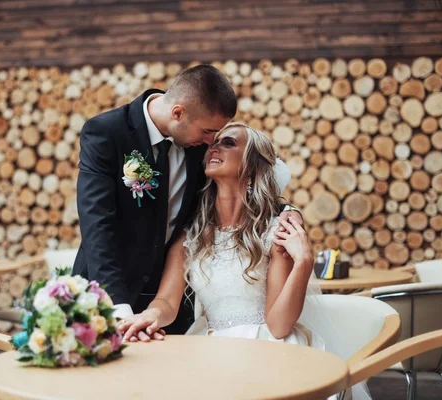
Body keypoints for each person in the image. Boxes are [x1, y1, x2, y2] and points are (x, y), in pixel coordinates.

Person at [118, 122, 371, 399]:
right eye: (215, 142)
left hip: (270, 352)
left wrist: (304, 262)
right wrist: (150, 315)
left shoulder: (276, 231)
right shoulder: (190, 236)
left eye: (229, 143)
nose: (214, 147)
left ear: (251, 164)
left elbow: (278, 326)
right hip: (211, 348)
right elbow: (167, 301)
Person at [73, 65, 301, 334]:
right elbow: (97, 228)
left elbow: (246, 185)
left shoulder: (199, 148)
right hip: (105, 295)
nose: (212, 142)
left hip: (168, 305)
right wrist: (118, 311)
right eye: (208, 132)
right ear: (178, 113)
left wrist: (289, 212)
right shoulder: (107, 132)